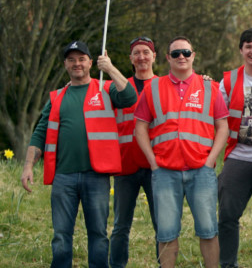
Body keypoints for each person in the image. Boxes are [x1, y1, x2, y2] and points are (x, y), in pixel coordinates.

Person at [21, 40, 137, 268]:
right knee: (61, 236)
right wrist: (27, 166)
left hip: (97, 175)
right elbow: (40, 132)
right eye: (72, 60)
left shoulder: (105, 88)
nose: (77, 64)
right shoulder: (57, 97)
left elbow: (130, 97)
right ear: (65, 64)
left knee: (98, 234)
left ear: (90, 63)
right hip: (63, 177)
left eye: (82, 59)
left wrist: (111, 68)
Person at [134, 36, 229, 268]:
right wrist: (153, 163)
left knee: (208, 230)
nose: (181, 57)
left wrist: (211, 160)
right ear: (167, 58)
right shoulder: (153, 88)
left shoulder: (210, 87)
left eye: (186, 52)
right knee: (166, 233)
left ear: (193, 55)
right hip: (165, 171)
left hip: (201, 170)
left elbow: (223, 127)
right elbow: (140, 128)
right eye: (176, 53)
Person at [218, 28, 252, 268]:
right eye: (248, 46)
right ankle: (227, 264)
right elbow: (217, 119)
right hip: (237, 157)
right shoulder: (228, 81)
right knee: (227, 217)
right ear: (241, 50)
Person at [109, 36, 159, 268]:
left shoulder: (163, 86)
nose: (142, 57)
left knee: (162, 224)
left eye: (146, 52)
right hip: (125, 165)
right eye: (137, 53)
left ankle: (164, 263)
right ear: (130, 58)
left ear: (154, 57)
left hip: (155, 165)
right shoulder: (119, 87)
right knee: (120, 225)